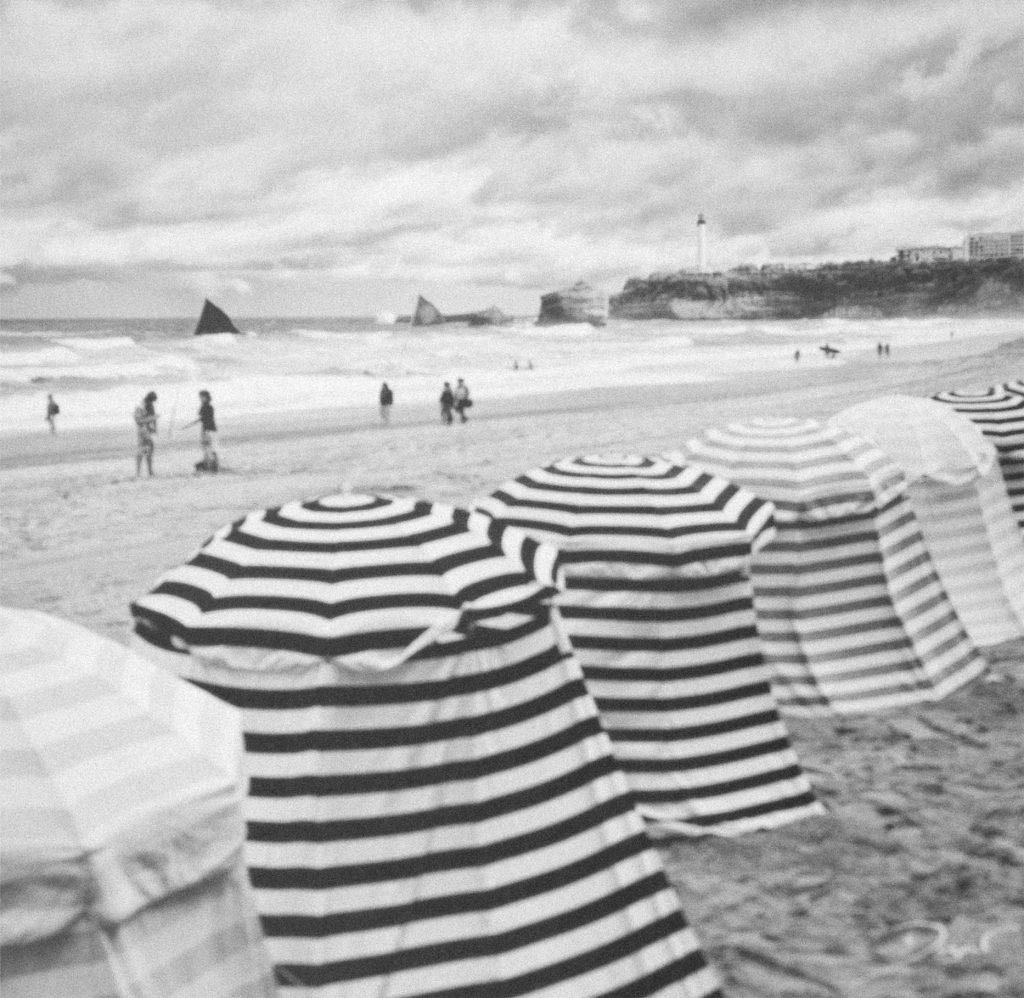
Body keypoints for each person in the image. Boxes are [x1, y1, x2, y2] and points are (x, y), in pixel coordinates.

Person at [182, 390, 218, 473]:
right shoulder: (208, 406)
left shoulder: (206, 406)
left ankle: (211, 465)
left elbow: (202, 416)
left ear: (206, 397)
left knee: (207, 447)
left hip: (207, 430)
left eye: (202, 397)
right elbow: (203, 417)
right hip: (210, 429)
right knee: (208, 447)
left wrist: (194, 423)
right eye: (200, 397)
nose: (200, 399)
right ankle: (212, 464)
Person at [134, 391, 158, 478]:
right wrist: (153, 421)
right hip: (144, 432)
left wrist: (153, 426)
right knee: (144, 452)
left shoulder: (145, 405)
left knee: (146, 452)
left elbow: (147, 420)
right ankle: (145, 472)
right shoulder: (143, 407)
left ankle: (145, 472)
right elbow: (139, 421)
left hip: (144, 432)